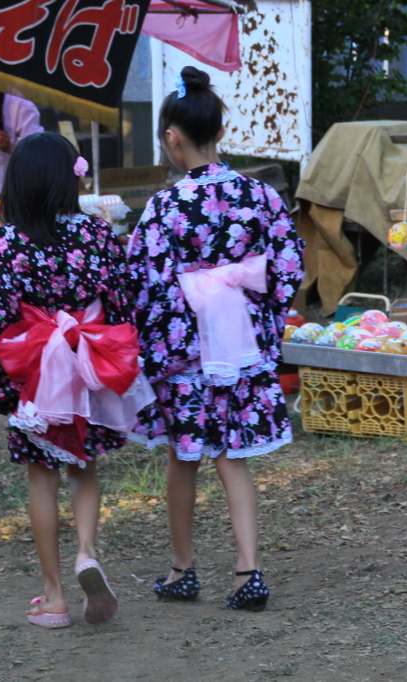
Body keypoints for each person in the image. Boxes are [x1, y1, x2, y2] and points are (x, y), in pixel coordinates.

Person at [126, 66, 304, 610]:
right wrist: (258, 322)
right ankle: (248, 570)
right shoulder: (259, 193)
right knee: (234, 457)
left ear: (173, 138)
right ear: (218, 132)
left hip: (188, 355)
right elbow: (288, 266)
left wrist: (161, 341)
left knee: (184, 458)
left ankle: (183, 570)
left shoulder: (164, 207)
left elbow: (144, 282)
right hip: (240, 349)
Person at [0, 132, 152, 628]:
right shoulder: (96, 235)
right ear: (69, 180)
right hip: (85, 368)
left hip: (35, 378)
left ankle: (54, 597)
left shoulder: (0, 243)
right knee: (84, 467)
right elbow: (121, 304)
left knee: (41, 477)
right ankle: (87, 554)